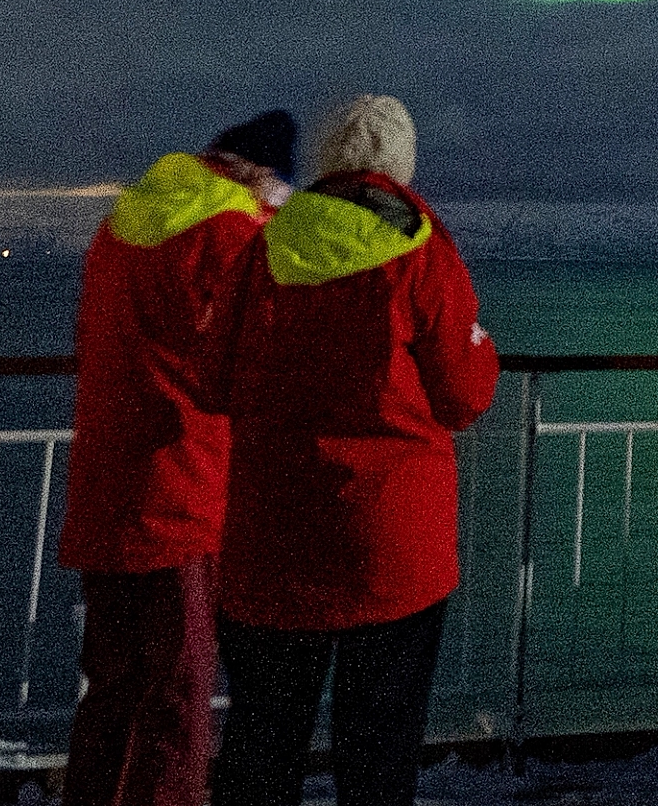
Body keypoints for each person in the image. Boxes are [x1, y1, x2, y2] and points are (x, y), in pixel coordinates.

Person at [208, 95, 497, 806]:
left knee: (262, 745)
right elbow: (462, 395)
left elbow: (213, 378)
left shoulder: (265, 245)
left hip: (272, 539)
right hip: (390, 545)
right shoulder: (421, 248)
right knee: (378, 753)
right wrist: (480, 347)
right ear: (400, 162)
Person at [58, 110, 294, 806]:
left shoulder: (124, 223)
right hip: (182, 486)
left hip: (105, 483)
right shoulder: (229, 234)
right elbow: (258, 360)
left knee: (113, 685)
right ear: (259, 177)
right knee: (178, 694)